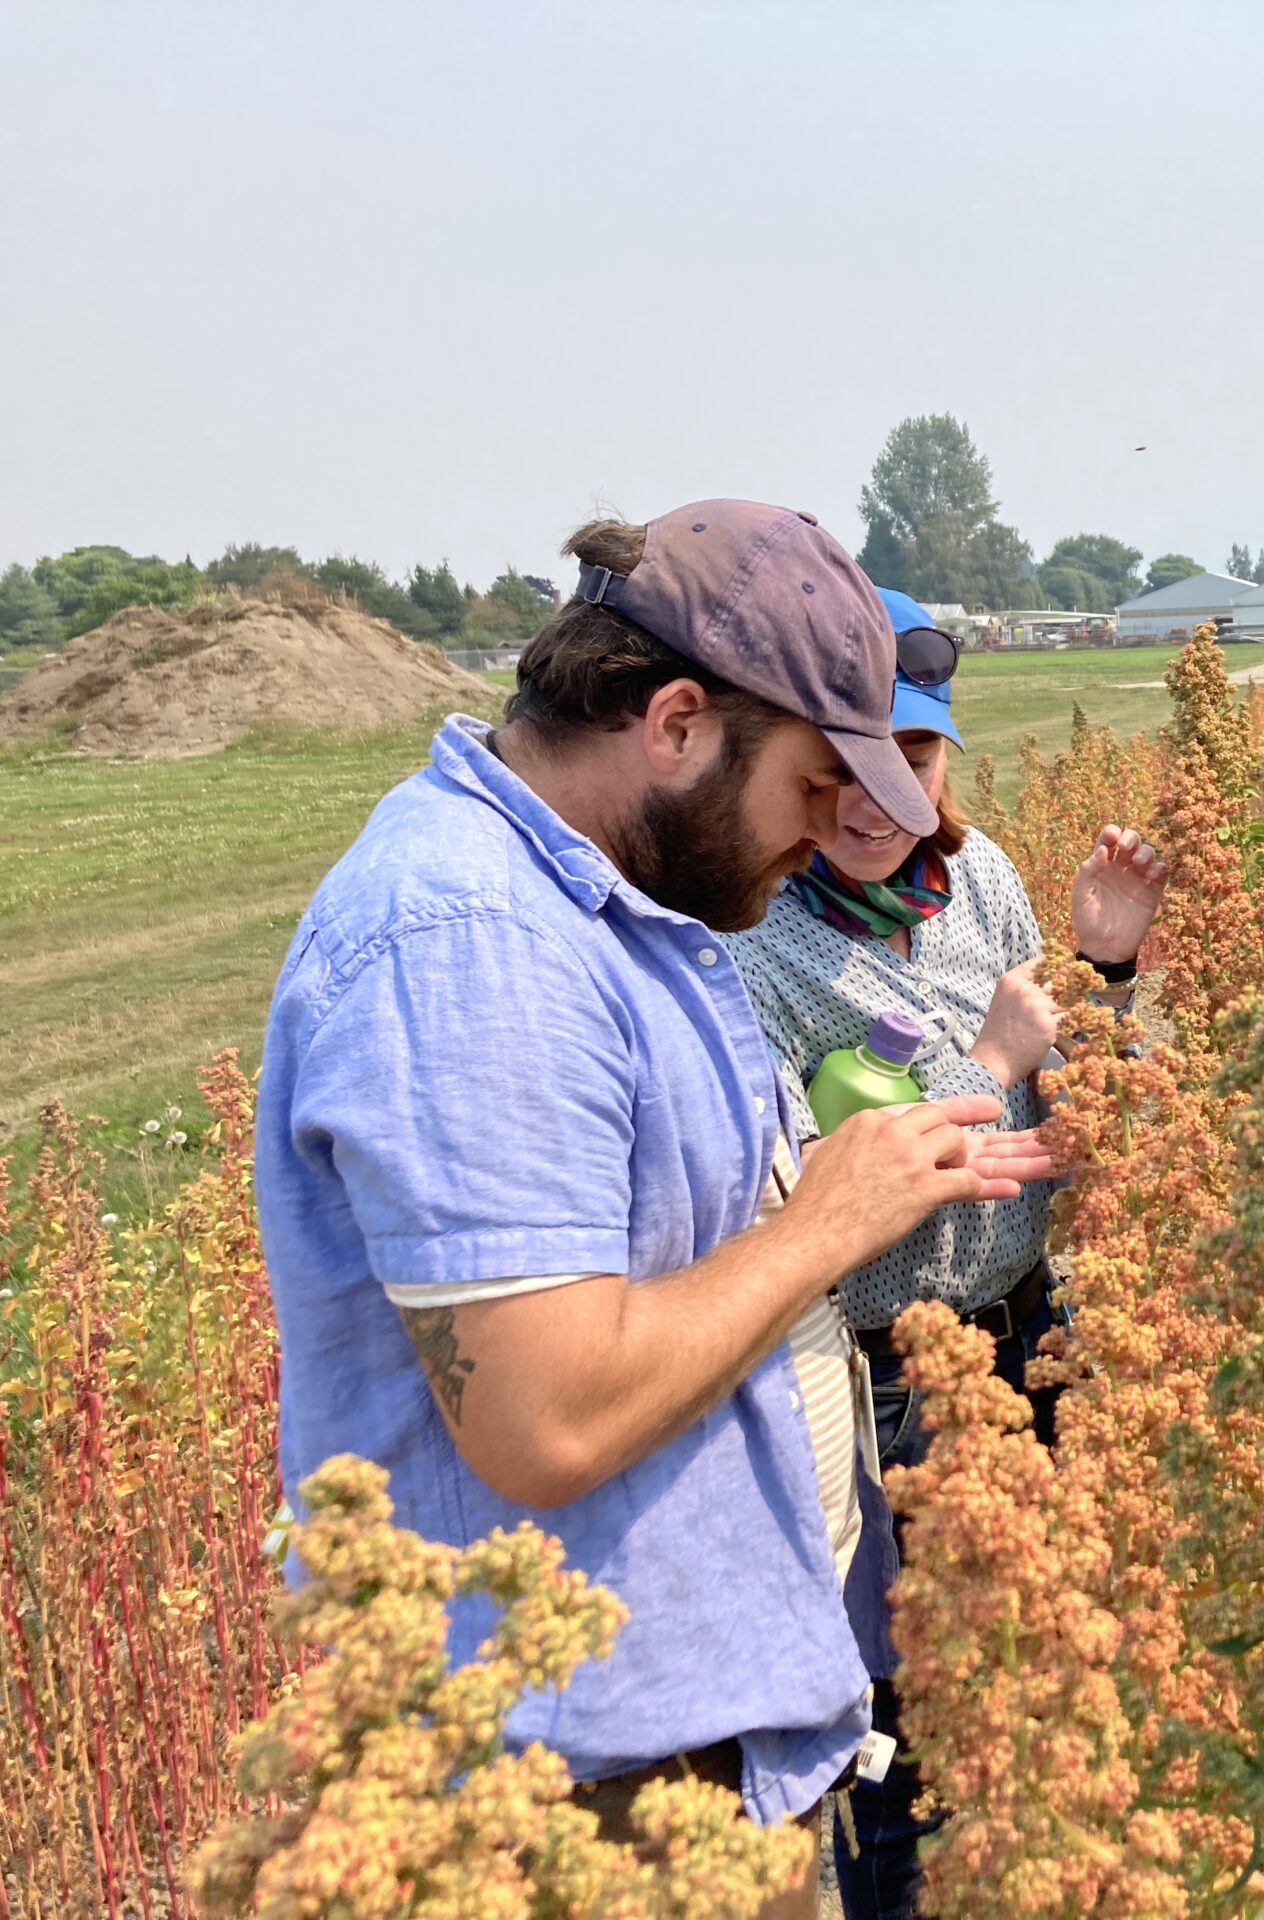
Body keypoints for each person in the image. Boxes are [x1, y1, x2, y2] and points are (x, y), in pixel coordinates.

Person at [254, 502, 1050, 1920]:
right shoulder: (471, 947)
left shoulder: (614, 907)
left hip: (684, 1747)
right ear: (677, 723)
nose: (831, 836)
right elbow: (544, 1414)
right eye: (812, 785)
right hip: (581, 1802)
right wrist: (828, 1221)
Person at [727, 586, 1166, 1917]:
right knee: (906, 1722)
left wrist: (1108, 971)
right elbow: (787, 1179)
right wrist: (984, 1061)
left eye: (908, 761)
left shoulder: (979, 880)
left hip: (1025, 1342)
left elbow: (1078, 1084)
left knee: (1051, 1667)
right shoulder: (750, 931)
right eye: (844, 767)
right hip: (885, 1382)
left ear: (942, 758)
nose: (875, 800)